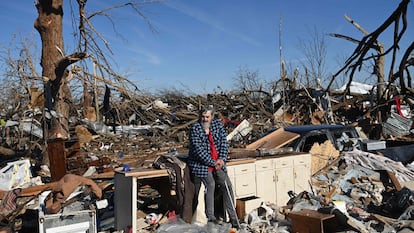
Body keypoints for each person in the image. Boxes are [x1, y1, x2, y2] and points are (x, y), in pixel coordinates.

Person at [187, 105, 239, 228]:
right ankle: (211, 217)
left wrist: (222, 159)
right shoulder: (195, 128)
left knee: (227, 185)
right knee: (210, 184)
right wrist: (212, 162)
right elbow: (199, 151)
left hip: (218, 162)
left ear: (212, 117)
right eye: (203, 117)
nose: (205, 119)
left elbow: (223, 143)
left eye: (207, 117)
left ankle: (233, 217)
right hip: (201, 164)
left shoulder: (217, 125)